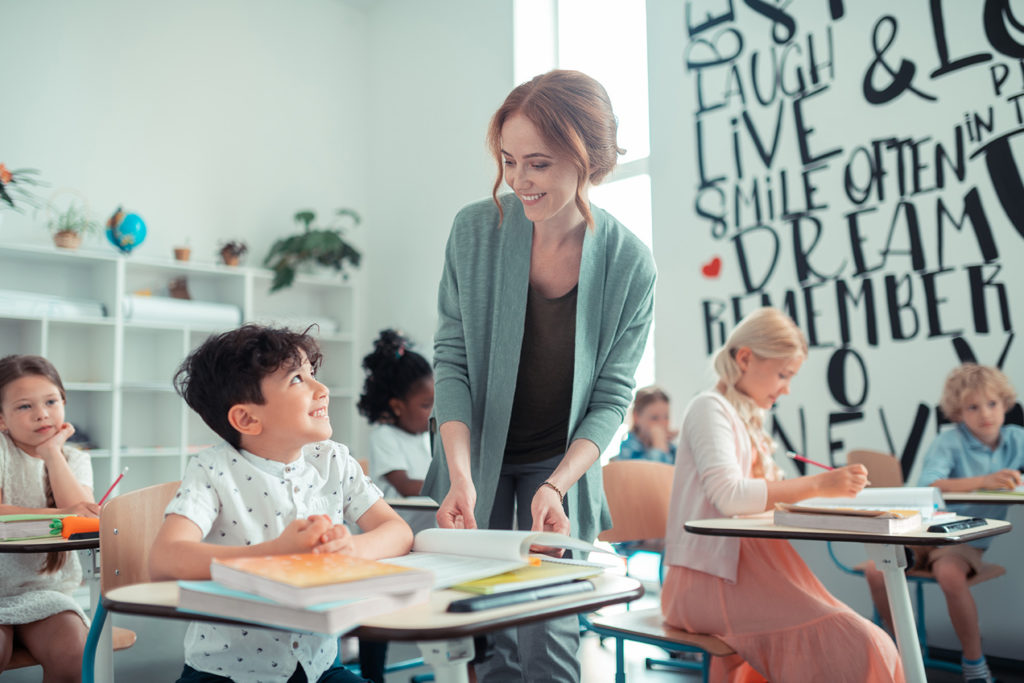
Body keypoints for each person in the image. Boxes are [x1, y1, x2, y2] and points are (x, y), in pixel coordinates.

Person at [421, 69, 657, 683]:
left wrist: (556, 486)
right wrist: (462, 474)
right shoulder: (475, 230)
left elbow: (611, 397)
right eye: (508, 161)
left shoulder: (631, 263)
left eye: (539, 164)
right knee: (490, 640)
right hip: (475, 460)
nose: (518, 181)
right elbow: (453, 361)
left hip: (561, 466)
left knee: (546, 639)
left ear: (589, 161)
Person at [148, 325, 413, 683]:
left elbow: (397, 530)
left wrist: (350, 549)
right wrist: (275, 555)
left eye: (312, 374)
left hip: (319, 669)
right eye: (297, 380)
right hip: (226, 674)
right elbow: (164, 561)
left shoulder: (332, 460)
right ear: (247, 419)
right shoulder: (214, 469)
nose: (322, 389)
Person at [662, 307, 904, 683]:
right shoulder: (709, 408)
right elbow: (731, 497)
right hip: (707, 579)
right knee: (862, 641)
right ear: (745, 358)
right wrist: (819, 485)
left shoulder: (742, 417)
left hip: (742, 570)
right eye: (783, 374)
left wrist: (828, 495)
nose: (787, 388)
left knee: (864, 638)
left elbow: (759, 498)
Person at [864, 363, 1024, 683]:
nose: (985, 414)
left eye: (992, 404)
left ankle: (975, 663)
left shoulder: (1016, 438)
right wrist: (986, 480)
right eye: (973, 407)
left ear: (1005, 404)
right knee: (875, 569)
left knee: (949, 573)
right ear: (958, 412)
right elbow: (929, 484)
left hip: (965, 539)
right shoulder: (948, 442)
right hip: (923, 530)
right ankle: (901, 650)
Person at [0, 354, 99, 681]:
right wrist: (61, 514)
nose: (42, 414)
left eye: (51, 401)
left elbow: (83, 519)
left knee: (73, 652)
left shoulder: (74, 458)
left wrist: (52, 453)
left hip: (45, 591)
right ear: (2, 419)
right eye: (24, 406)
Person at [355, 329, 435, 683]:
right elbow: (403, 484)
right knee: (378, 612)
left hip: (423, 537)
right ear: (397, 405)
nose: (432, 411)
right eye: (425, 404)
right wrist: (447, 484)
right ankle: (373, 675)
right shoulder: (385, 437)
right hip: (387, 541)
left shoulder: (429, 437)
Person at [615, 385, 677, 464]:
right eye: (654, 418)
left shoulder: (672, 449)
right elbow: (649, 473)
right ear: (636, 417)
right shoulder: (628, 448)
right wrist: (659, 445)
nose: (662, 424)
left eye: (666, 417)